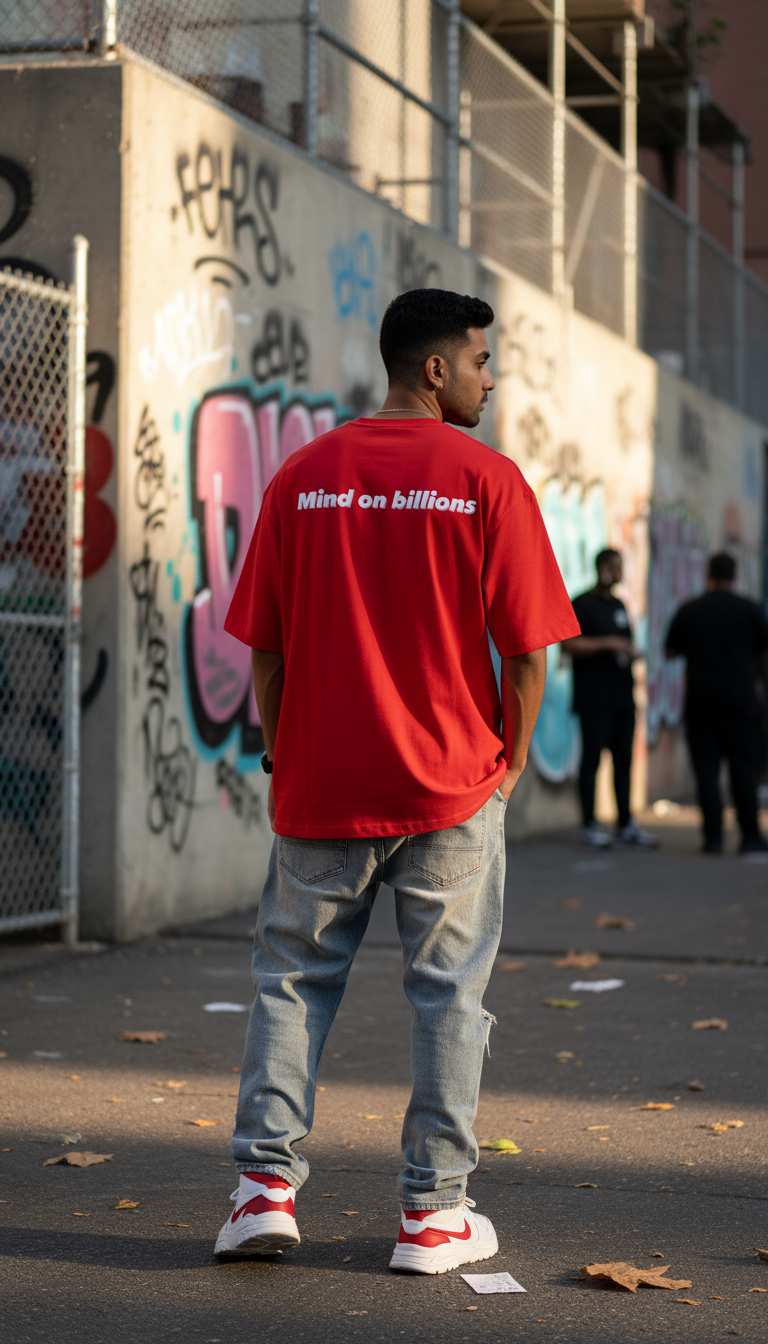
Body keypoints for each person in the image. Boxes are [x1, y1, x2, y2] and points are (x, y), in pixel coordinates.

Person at [215, 288, 579, 1273]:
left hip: (322, 783)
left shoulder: (302, 477)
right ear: (435, 370)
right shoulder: (486, 481)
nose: (490, 377)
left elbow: (269, 648)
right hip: (454, 788)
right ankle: (432, 1216)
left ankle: (260, 1195)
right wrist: (503, 774)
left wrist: (283, 746)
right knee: (450, 998)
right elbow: (533, 654)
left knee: (291, 984)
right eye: (480, 360)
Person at [665, 551, 768, 854]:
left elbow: (670, 652)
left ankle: (712, 838)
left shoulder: (691, 610)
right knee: (743, 770)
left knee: (707, 772)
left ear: (708, 574)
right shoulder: (749, 609)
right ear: (735, 575)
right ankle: (750, 837)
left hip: (701, 702)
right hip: (741, 702)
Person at [563, 549, 657, 849]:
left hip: (621, 698)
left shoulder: (618, 605)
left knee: (623, 761)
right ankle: (589, 824)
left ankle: (626, 823)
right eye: (615, 567)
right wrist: (608, 643)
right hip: (594, 699)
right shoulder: (582, 603)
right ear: (602, 568)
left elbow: (624, 643)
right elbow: (568, 645)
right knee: (591, 760)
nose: (618, 573)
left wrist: (629, 650)